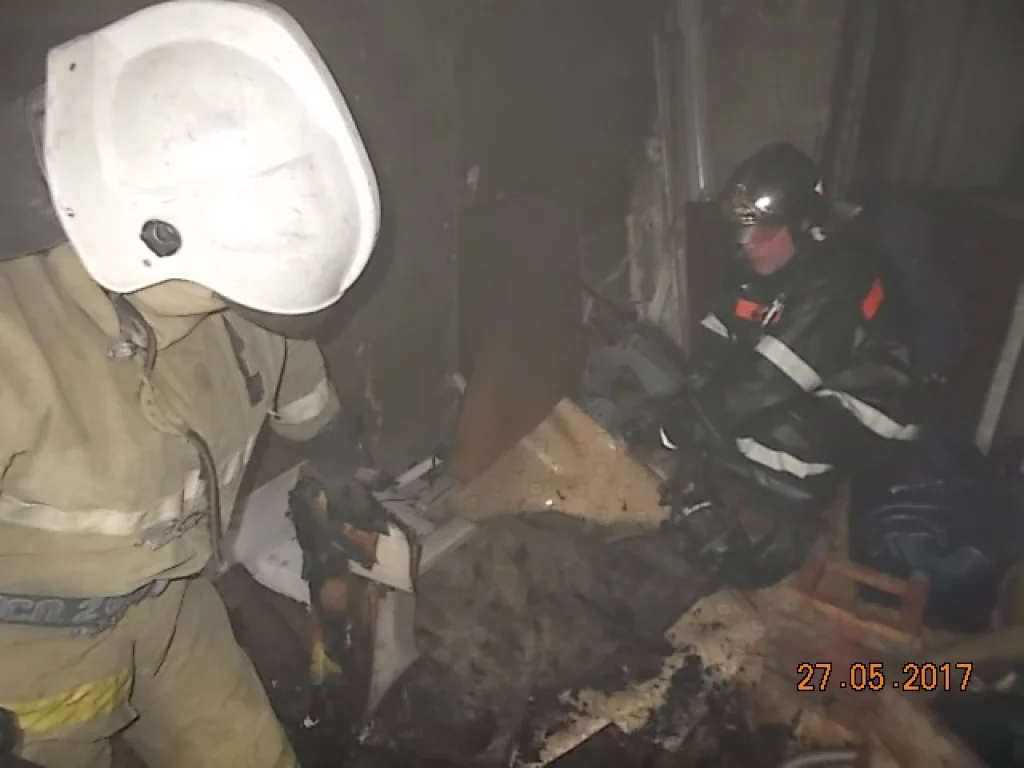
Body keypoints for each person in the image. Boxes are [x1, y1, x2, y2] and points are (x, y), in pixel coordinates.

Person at [0, 1, 381, 765]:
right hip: (30, 663)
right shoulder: (18, 339)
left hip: (176, 614)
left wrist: (342, 484)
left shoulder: (253, 304)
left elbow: (309, 407)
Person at [647, 142, 924, 583]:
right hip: (808, 383)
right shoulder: (754, 267)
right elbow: (718, 338)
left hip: (872, 406)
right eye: (742, 231)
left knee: (775, 429)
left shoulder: (837, 277)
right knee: (725, 416)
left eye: (762, 232)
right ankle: (744, 480)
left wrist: (685, 425)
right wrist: (690, 394)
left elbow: (768, 381)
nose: (747, 244)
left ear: (805, 224)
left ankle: (794, 522)